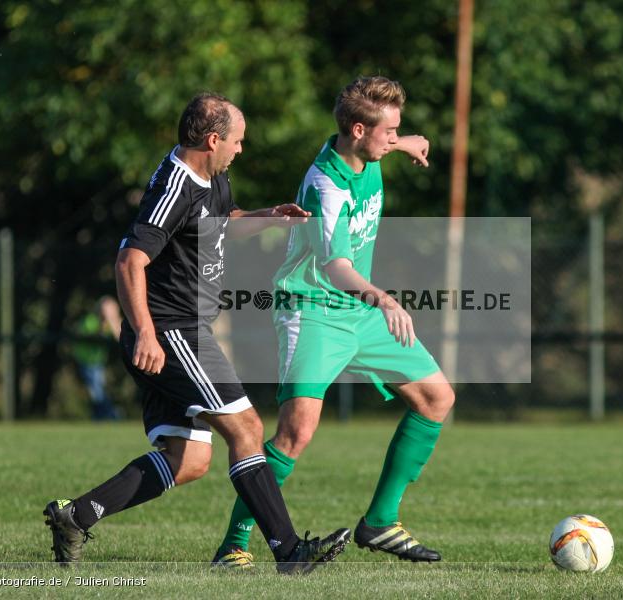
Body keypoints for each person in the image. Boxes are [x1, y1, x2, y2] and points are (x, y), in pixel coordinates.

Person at [43, 92, 350, 574]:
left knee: (188, 460)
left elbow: (221, 224)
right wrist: (146, 332)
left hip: (181, 330)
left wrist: (267, 217)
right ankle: (289, 552)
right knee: (247, 429)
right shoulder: (175, 187)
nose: (241, 149)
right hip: (172, 332)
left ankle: (76, 516)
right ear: (212, 140)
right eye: (237, 140)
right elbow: (129, 260)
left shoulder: (214, 177)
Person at [213, 76, 455, 568]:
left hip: (357, 309)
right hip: (313, 308)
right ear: (359, 130)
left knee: (437, 398)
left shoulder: (366, 149)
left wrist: (406, 142)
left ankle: (380, 522)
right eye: (390, 131)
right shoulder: (326, 186)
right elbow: (335, 267)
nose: (395, 137)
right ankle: (233, 546)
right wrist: (384, 299)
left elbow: (387, 141)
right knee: (295, 433)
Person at [73, 296, 122, 420]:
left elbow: (119, 337)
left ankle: (108, 414)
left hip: (98, 362)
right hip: (86, 360)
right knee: (96, 390)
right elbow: (84, 334)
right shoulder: (90, 320)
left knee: (98, 390)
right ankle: (109, 415)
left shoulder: (113, 322)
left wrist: (111, 321)